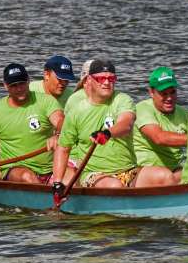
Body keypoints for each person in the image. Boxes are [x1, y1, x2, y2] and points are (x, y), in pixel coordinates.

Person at [53, 59, 141, 188]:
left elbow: (126, 124)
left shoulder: (122, 99)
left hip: (127, 170)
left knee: (162, 175)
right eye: (101, 79)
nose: (106, 82)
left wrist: (107, 133)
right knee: (114, 186)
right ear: (89, 80)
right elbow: (63, 149)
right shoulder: (76, 111)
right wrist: (57, 184)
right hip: (93, 173)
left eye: (111, 79)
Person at [0, 63, 64, 183]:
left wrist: (58, 135)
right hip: (15, 169)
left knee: (70, 176)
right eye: (13, 85)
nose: (19, 89)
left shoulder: (45, 101)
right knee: (27, 176)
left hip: (49, 169)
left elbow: (60, 120)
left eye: (22, 83)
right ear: (5, 86)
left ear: (28, 81)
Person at [133, 67, 188, 187]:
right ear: (151, 92)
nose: (169, 98)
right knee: (165, 176)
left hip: (174, 170)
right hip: (142, 171)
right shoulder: (142, 109)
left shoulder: (184, 113)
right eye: (163, 93)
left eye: (172, 92)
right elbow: (159, 138)